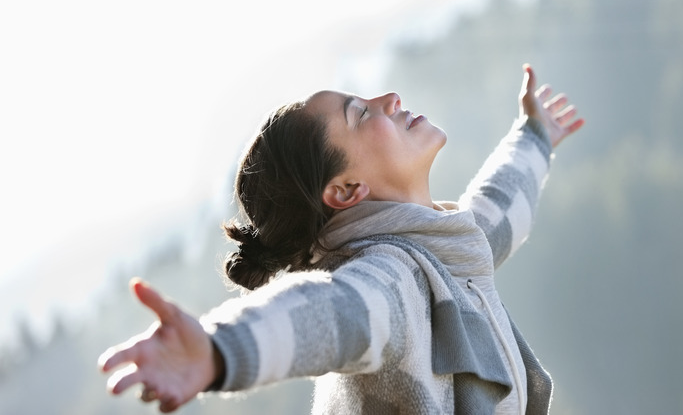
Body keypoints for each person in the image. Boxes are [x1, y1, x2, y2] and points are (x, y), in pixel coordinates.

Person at [98, 64, 584, 414]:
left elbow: (494, 217)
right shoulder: (392, 279)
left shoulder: (441, 255)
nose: (389, 99)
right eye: (359, 114)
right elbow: (330, 312)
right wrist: (220, 350)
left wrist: (534, 138)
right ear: (347, 190)